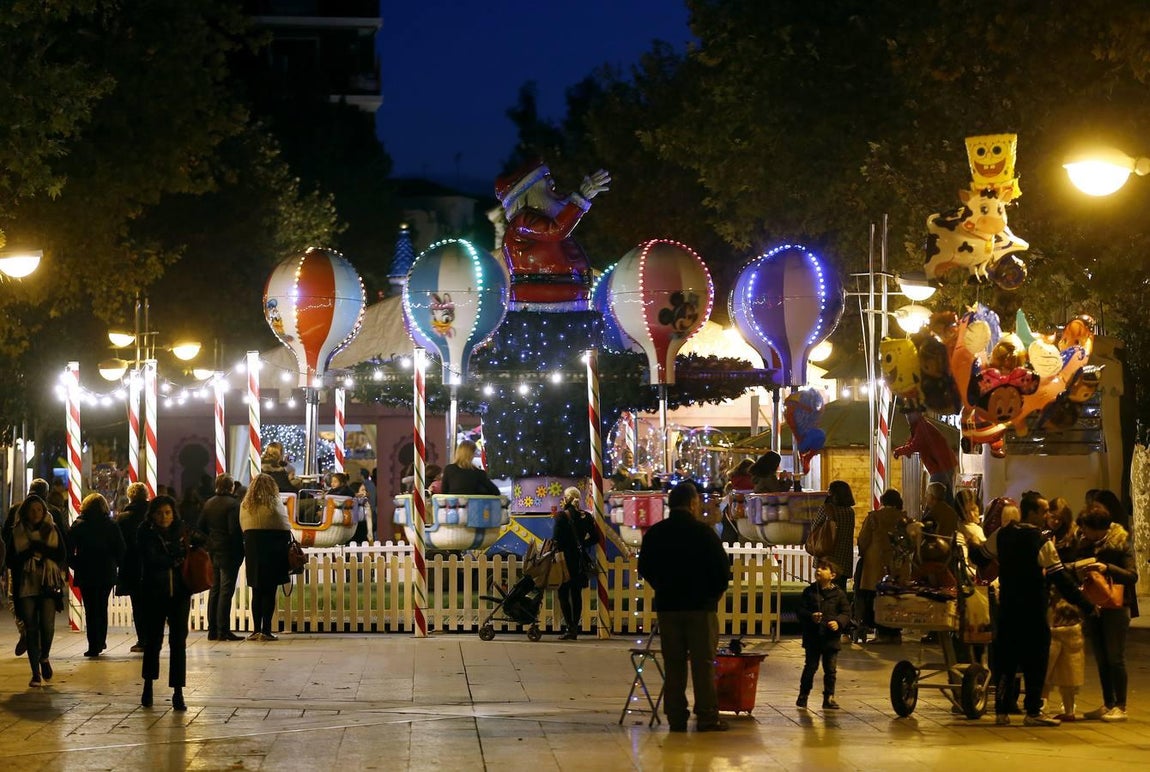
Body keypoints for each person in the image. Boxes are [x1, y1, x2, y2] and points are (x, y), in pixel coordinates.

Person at [973, 497, 1093, 726]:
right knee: (1035, 661)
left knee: (1006, 660)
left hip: (1007, 607)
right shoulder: (1040, 540)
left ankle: (1001, 712)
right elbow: (1060, 578)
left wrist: (976, 547)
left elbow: (979, 556)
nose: (1047, 515)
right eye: (1044, 511)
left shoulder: (1002, 534)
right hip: (1033, 609)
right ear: (1031, 512)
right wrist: (1085, 604)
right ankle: (1033, 712)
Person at [637, 481, 731, 732]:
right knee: (703, 664)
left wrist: (662, 586)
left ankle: (676, 716)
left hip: (668, 607)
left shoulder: (656, 533)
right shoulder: (704, 533)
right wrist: (712, 595)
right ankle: (707, 715)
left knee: (674, 664)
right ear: (692, 503)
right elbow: (722, 571)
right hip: (701, 608)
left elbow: (644, 567)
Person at [1073, 504, 1138, 722]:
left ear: (1099, 528)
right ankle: (1108, 702)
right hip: (1093, 605)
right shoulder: (1084, 544)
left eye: (1087, 528)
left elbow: (1132, 575)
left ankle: (1121, 705)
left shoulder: (1119, 544)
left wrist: (1107, 568)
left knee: (1114, 657)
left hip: (1116, 606)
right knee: (1101, 657)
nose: (1083, 532)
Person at [137, 495, 197, 710]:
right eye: (160, 513)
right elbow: (150, 559)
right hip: (154, 593)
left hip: (179, 594)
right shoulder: (146, 532)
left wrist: (191, 546)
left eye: (168, 512)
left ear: (174, 513)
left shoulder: (181, 530)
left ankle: (178, 691)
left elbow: (201, 543)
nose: (164, 517)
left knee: (178, 642)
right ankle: (148, 685)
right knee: (153, 642)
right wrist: (174, 558)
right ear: (152, 515)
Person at [3, 495, 67, 687]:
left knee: (47, 626)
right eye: (32, 510)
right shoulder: (17, 532)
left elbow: (61, 554)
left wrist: (40, 550)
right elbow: (11, 560)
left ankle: (44, 656)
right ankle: (35, 674)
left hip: (47, 583)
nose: (36, 513)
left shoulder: (52, 529)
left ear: (44, 511)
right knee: (31, 628)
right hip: (26, 584)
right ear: (25, 512)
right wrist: (28, 554)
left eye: (39, 509)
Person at [66, 493, 125, 657]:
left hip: (86, 571)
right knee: (102, 607)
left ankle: (93, 644)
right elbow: (121, 548)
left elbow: (68, 549)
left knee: (91, 609)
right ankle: (101, 640)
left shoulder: (79, 525)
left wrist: (75, 563)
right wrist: (115, 563)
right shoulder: (111, 525)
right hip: (106, 570)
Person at [241, 473, 292, 641]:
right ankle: (266, 630)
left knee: (256, 591)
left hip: (253, 550)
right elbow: (285, 526)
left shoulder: (246, 504)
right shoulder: (275, 503)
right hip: (273, 550)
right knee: (270, 591)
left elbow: (243, 527)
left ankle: (255, 630)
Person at [856, 489, 911, 644]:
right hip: (899, 565)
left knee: (877, 599)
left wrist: (863, 552)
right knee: (896, 598)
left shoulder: (874, 517)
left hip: (876, 564)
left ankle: (881, 633)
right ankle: (895, 633)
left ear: (883, 501)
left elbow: (863, 539)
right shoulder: (905, 519)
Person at [795, 558, 851, 710]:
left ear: (832, 575)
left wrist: (838, 622)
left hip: (831, 639)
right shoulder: (809, 592)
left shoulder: (839, 594)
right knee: (810, 667)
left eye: (823, 568)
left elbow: (846, 613)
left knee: (830, 670)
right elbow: (800, 611)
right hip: (813, 637)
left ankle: (829, 697)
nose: (818, 570)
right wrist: (811, 616)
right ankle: (803, 695)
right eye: (818, 568)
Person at [551, 487, 602, 640]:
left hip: (564, 561)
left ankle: (570, 627)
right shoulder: (586, 516)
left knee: (563, 594)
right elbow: (595, 538)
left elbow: (556, 540)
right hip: (579, 560)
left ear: (566, 499)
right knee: (576, 594)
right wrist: (581, 544)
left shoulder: (561, 516)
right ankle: (575, 626)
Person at [199, 474, 244, 642]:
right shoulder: (233, 504)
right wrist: (240, 549)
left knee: (215, 589)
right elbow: (234, 531)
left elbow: (201, 526)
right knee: (226, 590)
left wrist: (211, 540)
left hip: (214, 550)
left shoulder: (209, 503)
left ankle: (212, 630)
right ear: (231, 487)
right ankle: (223, 629)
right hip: (229, 552)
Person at [116, 482, 151, 652]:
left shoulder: (124, 518)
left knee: (138, 605)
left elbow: (119, 543)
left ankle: (143, 639)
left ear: (130, 496)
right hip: (152, 564)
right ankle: (153, 637)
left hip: (132, 565)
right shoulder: (153, 515)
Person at [1042, 599, 1086, 721]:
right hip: (1075, 669)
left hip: (1064, 669)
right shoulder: (1077, 631)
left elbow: (1053, 653)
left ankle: (1068, 713)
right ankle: (1070, 711)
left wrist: (1047, 671)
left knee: (1064, 691)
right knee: (1070, 692)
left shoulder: (1058, 634)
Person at [810, 481, 856, 592]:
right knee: (840, 591)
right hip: (844, 557)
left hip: (828, 554)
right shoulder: (850, 512)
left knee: (824, 590)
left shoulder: (826, 509)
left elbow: (814, 528)